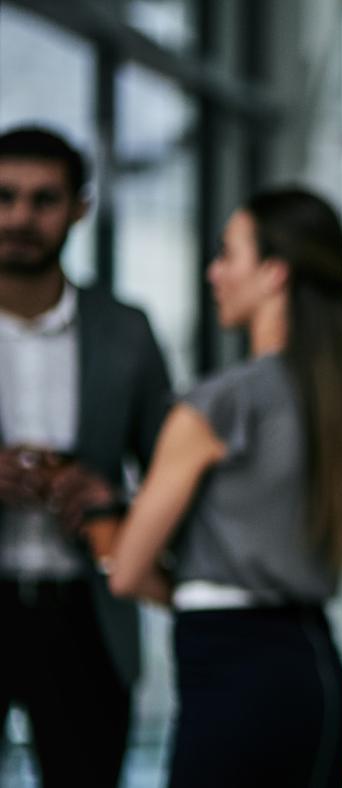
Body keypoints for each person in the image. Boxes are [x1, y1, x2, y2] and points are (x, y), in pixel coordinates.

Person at [98, 187, 342, 787]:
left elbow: (129, 570)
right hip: (318, 680)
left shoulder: (218, 405)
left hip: (232, 680)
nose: (214, 273)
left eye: (227, 254)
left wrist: (97, 518)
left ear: (273, 273)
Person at [0, 126, 171, 787]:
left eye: (43, 200)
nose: (20, 217)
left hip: (87, 613)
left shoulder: (125, 329)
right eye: (6, 196)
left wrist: (106, 497)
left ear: (79, 207)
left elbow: (167, 467)